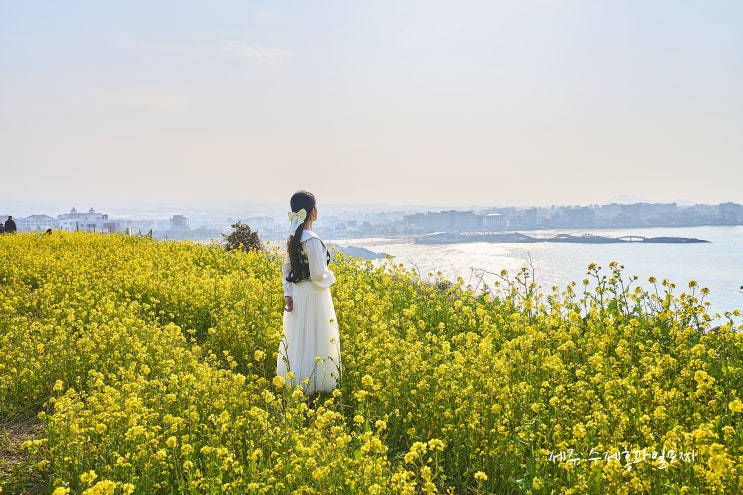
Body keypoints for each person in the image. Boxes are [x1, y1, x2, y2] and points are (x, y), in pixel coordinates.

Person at [277, 190, 341, 404]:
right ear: (312, 212)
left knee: (299, 339)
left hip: (298, 293)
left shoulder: (293, 239)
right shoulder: (313, 241)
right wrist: (331, 276)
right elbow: (318, 275)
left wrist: (288, 294)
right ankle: (311, 390)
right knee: (316, 338)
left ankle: (299, 387)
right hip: (315, 295)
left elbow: (286, 270)